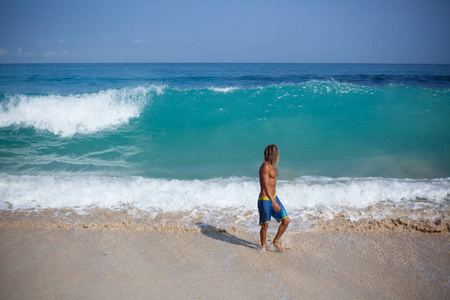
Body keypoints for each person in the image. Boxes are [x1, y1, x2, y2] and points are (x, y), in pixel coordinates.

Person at [258, 144, 290, 251]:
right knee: (265, 226)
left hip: (274, 197)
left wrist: (275, 200)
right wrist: (273, 202)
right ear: (273, 154)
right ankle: (262, 247)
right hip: (265, 200)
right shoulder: (265, 166)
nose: (278, 156)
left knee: (286, 220)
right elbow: (266, 185)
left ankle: (275, 241)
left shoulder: (273, 166)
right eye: (277, 153)